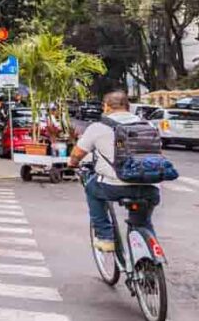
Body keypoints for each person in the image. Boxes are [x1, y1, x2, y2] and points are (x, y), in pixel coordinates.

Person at [67, 90, 160, 252]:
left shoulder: (98, 127)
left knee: (91, 188)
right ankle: (152, 252)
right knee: (142, 222)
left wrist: (72, 163)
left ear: (106, 107)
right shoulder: (149, 126)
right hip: (150, 186)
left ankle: (105, 237)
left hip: (114, 186)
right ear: (128, 107)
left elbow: (77, 154)